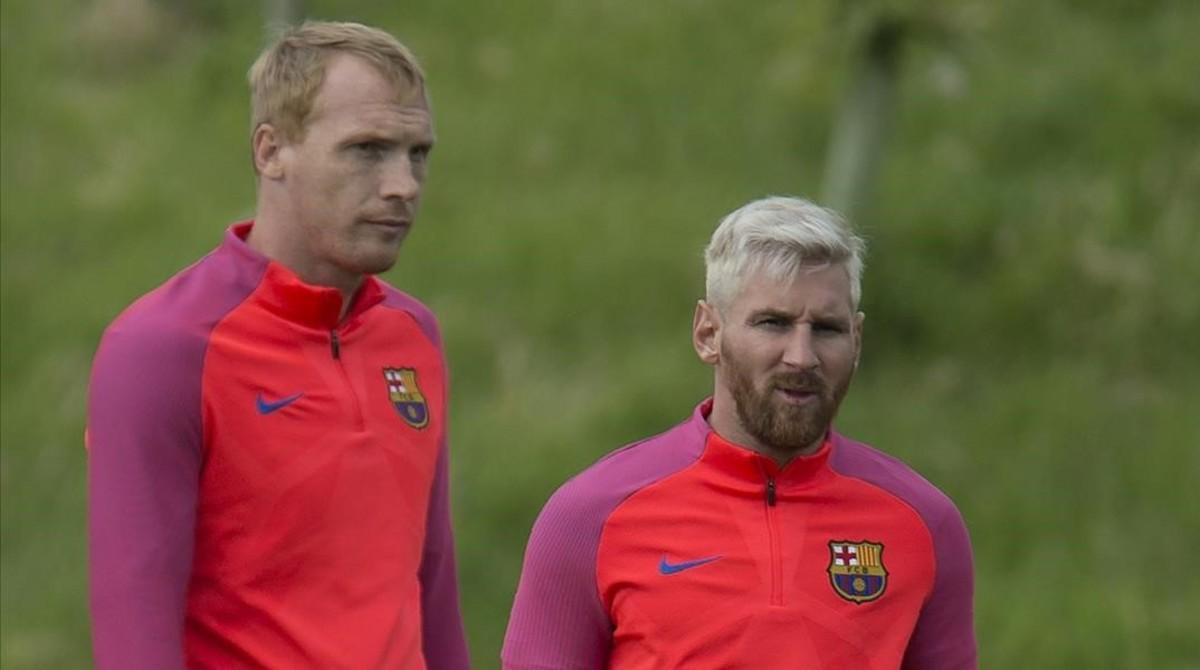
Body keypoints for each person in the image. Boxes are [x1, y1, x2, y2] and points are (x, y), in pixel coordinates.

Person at [87, 21, 470, 669]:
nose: (403, 184)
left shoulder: (413, 336)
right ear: (270, 151)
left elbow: (430, 585)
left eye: (418, 153)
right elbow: (135, 621)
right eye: (367, 150)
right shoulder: (161, 349)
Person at [502, 196, 977, 669]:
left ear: (857, 340)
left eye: (827, 329)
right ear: (709, 333)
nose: (801, 356)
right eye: (774, 323)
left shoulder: (925, 524)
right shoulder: (589, 517)